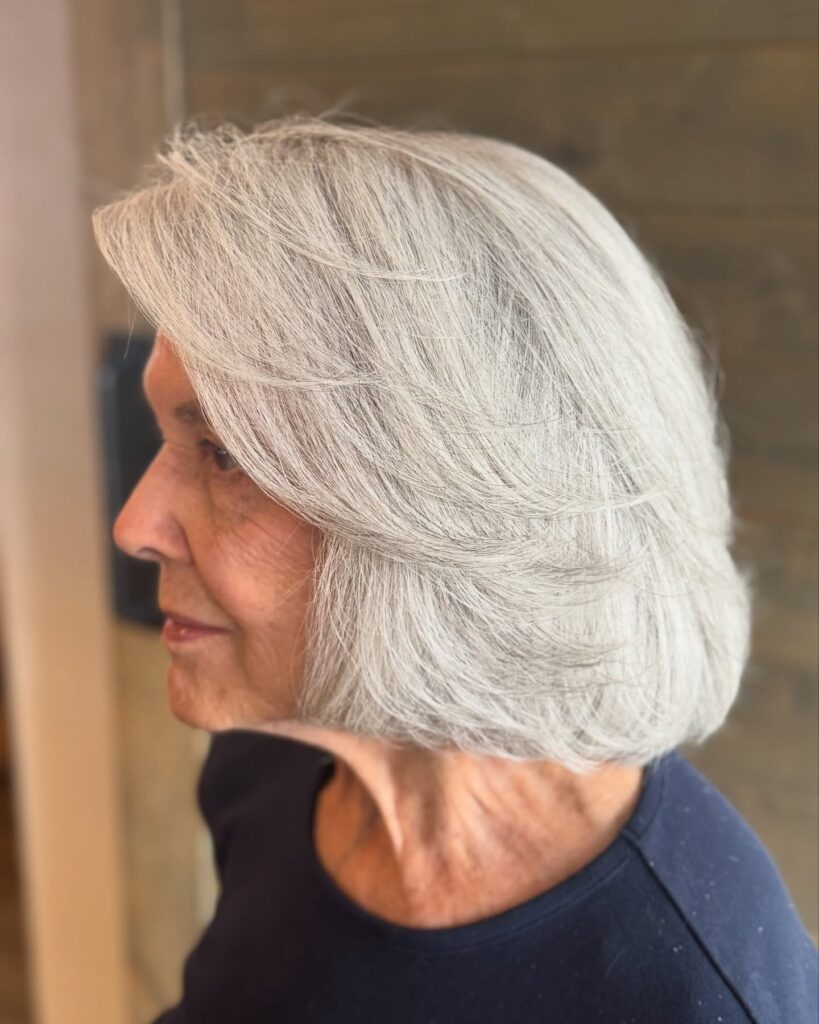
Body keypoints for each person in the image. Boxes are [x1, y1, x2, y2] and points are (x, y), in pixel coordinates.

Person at [92, 114, 818, 1023]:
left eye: (226, 456)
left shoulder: (690, 994)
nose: (134, 525)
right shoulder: (266, 762)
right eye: (167, 437)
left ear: (446, 511)